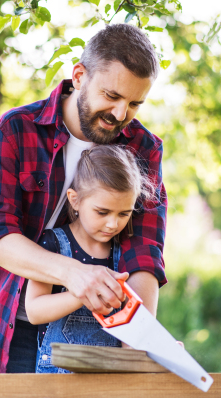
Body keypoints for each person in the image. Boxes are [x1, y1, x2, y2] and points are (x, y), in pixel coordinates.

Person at [0, 23, 168, 374]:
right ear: (79, 76)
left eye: (134, 103)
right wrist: (76, 274)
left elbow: (144, 253)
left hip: (89, 339)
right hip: (4, 332)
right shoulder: (15, 129)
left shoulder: (143, 149)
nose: (121, 114)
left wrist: (141, 341)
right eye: (112, 96)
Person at [26, 145, 155, 373]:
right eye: (102, 212)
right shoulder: (52, 243)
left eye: (124, 214)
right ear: (75, 200)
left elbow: (131, 323)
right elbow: (35, 310)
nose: (113, 224)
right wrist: (83, 291)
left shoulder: (124, 254)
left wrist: (155, 350)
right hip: (56, 382)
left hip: (110, 381)